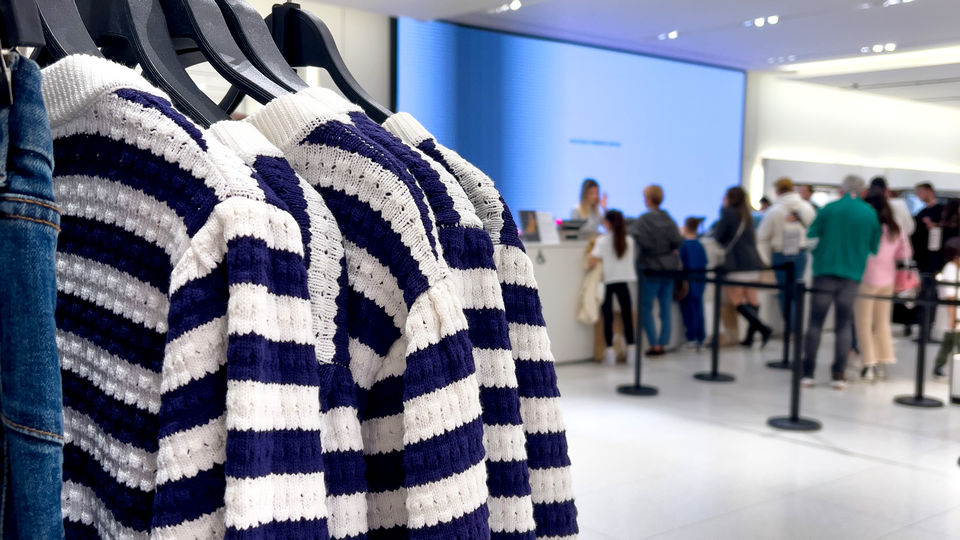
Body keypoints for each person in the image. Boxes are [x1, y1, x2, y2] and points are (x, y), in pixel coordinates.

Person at [803, 175, 881, 389]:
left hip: (824, 272)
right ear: (863, 191)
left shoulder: (828, 209)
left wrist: (822, 253)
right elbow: (874, 247)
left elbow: (811, 237)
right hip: (852, 275)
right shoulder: (869, 213)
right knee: (844, 324)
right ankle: (838, 375)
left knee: (815, 323)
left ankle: (808, 373)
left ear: (841, 189)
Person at [854, 187, 911, 381]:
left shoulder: (865, 225)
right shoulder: (896, 227)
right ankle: (883, 361)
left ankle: (869, 362)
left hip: (866, 277)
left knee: (864, 322)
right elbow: (905, 253)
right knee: (882, 322)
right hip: (888, 277)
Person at [715, 186, 771, 347]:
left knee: (737, 300)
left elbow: (719, 236)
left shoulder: (728, 213)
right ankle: (749, 337)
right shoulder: (748, 214)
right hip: (752, 262)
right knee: (752, 300)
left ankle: (763, 328)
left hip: (736, 263)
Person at [630, 184, 683, 356]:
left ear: (648, 199)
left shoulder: (644, 220)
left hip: (651, 268)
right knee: (665, 307)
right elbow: (677, 240)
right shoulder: (669, 219)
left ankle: (654, 344)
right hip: (668, 269)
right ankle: (663, 343)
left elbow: (639, 239)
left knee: (646, 308)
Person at [757, 177, 817, 320]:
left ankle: (790, 326)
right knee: (797, 291)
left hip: (780, 254)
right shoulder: (806, 208)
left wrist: (766, 260)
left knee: (784, 293)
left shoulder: (773, 211)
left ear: (777, 190)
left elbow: (762, 237)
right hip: (801, 253)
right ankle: (797, 326)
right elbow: (814, 231)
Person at [589, 210, 637, 364]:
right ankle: (631, 349)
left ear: (608, 223)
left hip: (608, 282)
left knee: (607, 317)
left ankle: (610, 351)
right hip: (624, 281)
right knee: (627, 316)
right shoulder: (629, 240)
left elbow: (592, 261)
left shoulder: (602, 241)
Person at [932, 237, 960, 379]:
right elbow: (950, 297)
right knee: (954, 342)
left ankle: (939, 367)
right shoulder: (951, 269)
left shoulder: (954, 268)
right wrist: (953, 317)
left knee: (948, 342)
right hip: (954, 315)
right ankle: (940, 367)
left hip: (954, 315)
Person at [679, 217, 708, 349]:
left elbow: (682, 263)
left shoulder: (684, 246)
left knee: (690, 310)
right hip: (700, 280)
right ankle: (700, 337)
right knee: (698, 309)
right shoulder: (699, 245)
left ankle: (691, 337)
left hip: (689, 281)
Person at [912, 182, 943, 274]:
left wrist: (934, 226)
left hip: (934, 254)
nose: (918, 194)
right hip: (921, 254)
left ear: (929, 191)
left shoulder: (942, 210)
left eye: (920, 191)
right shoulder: (921, 212)